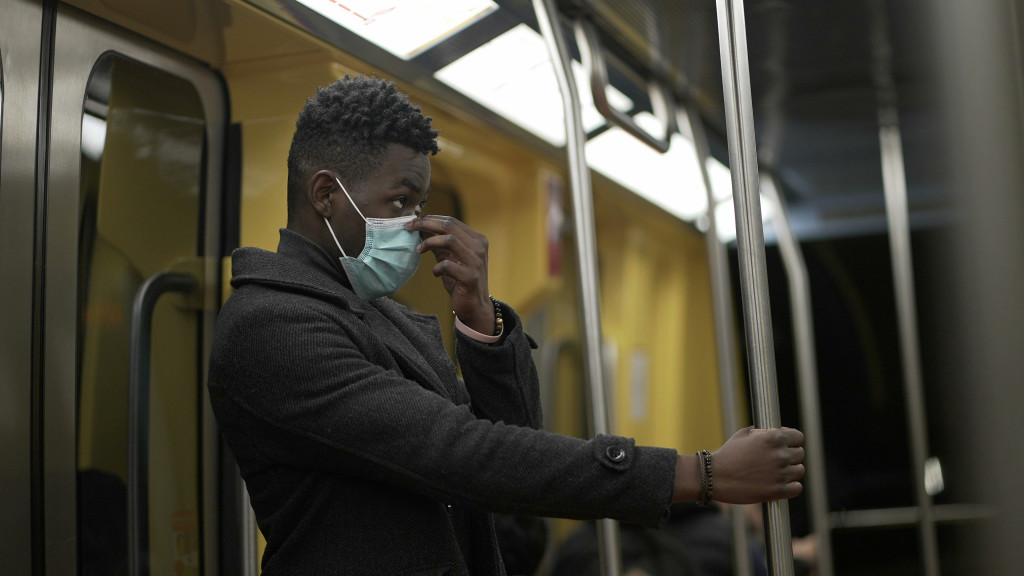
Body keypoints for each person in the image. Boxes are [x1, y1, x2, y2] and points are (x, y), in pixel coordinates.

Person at [207, 75, 806, 576]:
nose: (414, 225)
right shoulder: (271, 327)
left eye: (419, 206)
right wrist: (697, 473)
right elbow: (460, 454)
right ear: (325, 195)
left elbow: (510, 483)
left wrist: (481, 323)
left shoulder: (388, 319)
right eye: (399, 201)